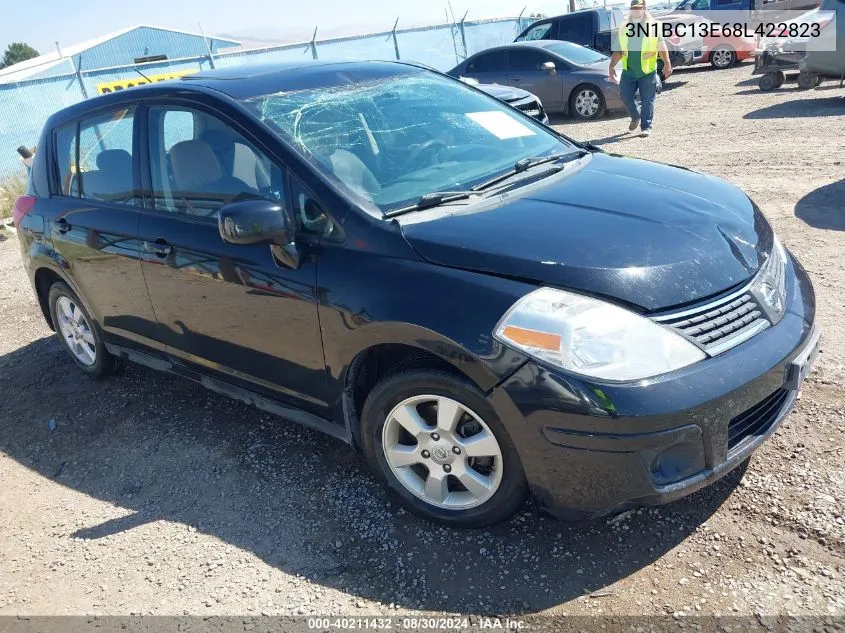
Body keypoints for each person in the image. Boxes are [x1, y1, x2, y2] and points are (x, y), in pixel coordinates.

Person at [609, 0, 673, 137]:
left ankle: (646, 126)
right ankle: (635, 116)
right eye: (634, 8)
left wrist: (667, 63)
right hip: (629, 70)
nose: (636, 10)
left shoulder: (654, 26)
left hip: (647, 70)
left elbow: (661, 46)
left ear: (644, 9)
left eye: (639, 8)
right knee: (625, 96)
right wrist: (611, 66)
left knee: (647, 100)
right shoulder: (624, 27)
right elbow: (618, 50)